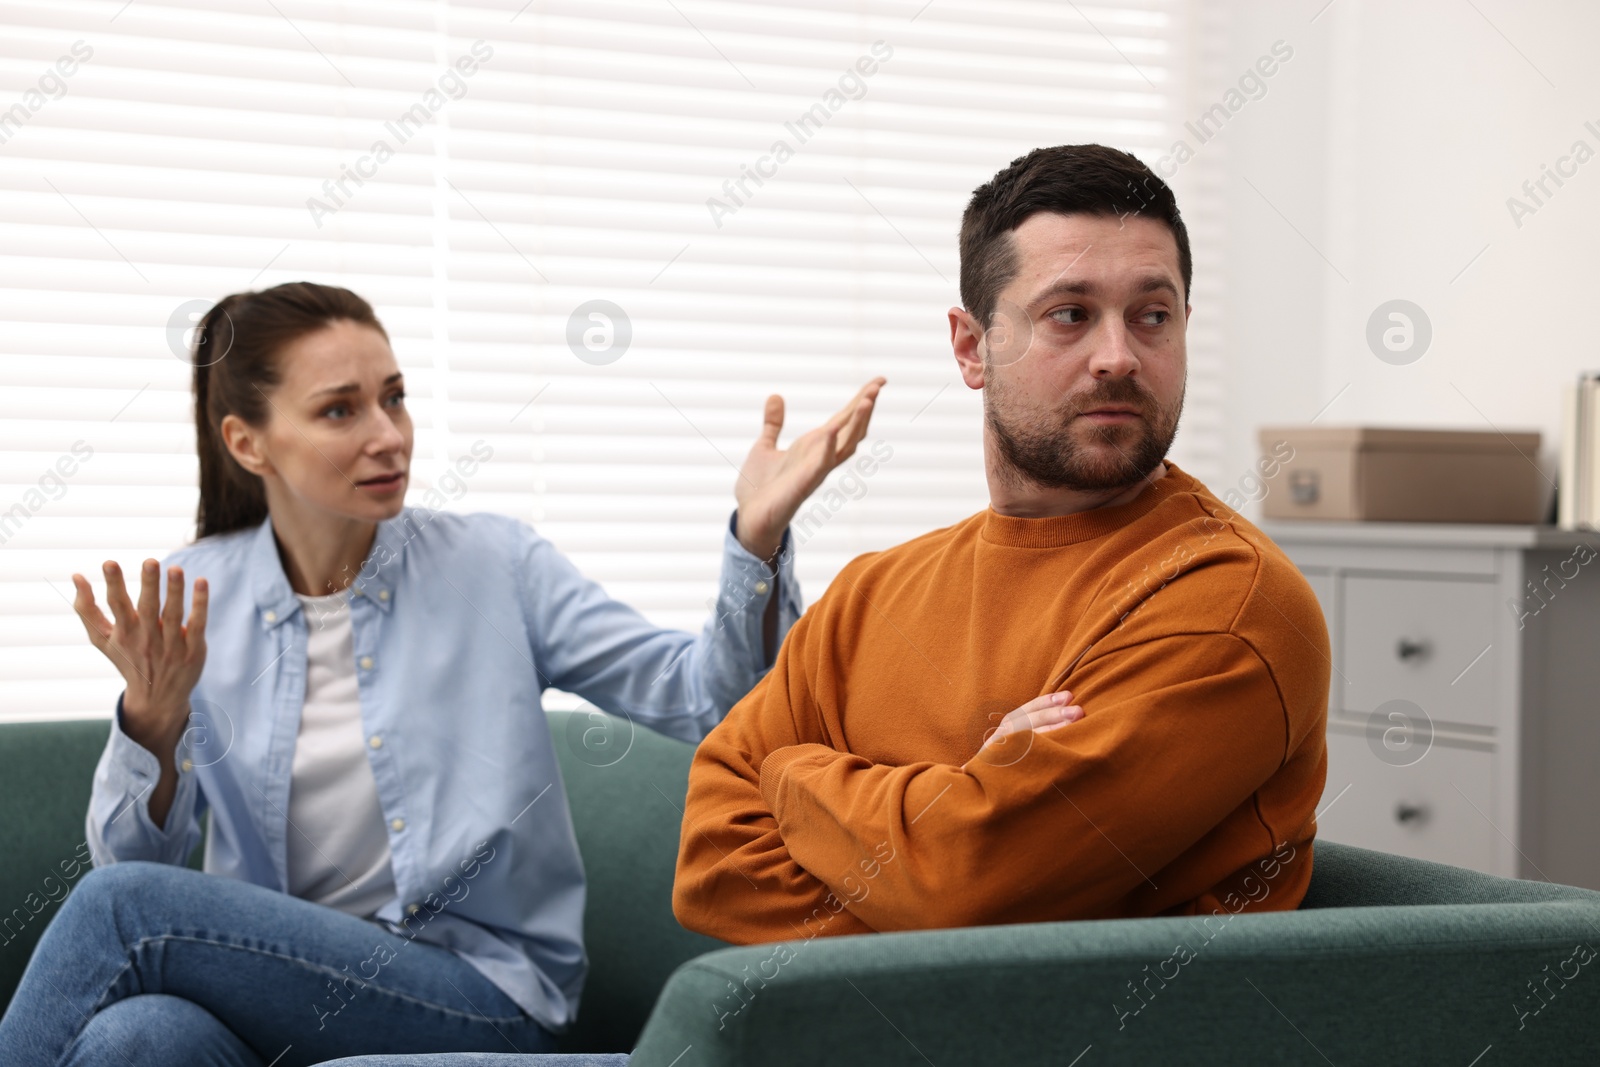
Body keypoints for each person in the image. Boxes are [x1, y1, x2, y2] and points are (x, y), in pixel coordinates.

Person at [0, 281, 885, 1066]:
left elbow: (714, 702)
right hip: (280, 994)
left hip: (477, 993)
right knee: (137, 1038)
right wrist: (152, 719)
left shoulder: (494, 564)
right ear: (248, 442)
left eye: (394, 398)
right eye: (341, 410)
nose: (388, 435)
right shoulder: (200, 597)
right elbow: (137, 861)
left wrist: (757, 539)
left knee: (123, 910)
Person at [672, 143, 1330, 946]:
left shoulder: (1228, 602)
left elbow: (966, 886)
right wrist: (950, 807)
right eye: (1070, 314)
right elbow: (712, 865)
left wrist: (791, 774)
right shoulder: (870, 595)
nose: (1119, 356)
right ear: (970, 346)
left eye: (1152, 315)